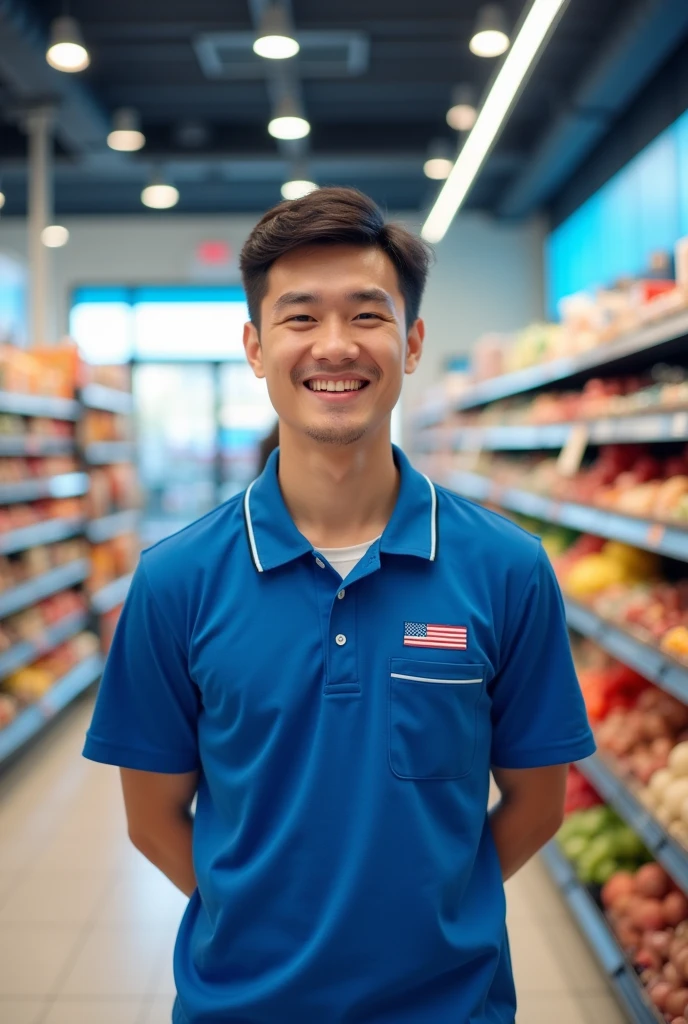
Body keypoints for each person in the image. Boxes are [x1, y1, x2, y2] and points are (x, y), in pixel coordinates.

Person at [83, 187, 595, 1024]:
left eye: (367, 315)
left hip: (451, 1006)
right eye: (298, 318)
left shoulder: (508, 568)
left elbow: (538, 803)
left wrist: (425, 921)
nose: (334, 346)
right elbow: (152, 818)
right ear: (255, 347)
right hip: (239, 1007)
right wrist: (264, 927)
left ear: (412, 340)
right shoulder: (175, 580)